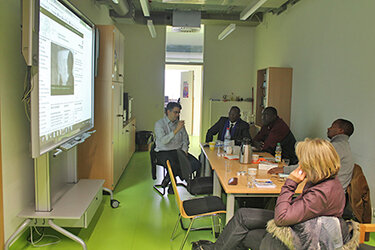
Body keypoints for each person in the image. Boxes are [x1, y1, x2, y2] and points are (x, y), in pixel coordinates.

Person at [192, 138, 358, 250]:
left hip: (297, 239)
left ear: (315, 164)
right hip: (298, 224)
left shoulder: (322, 193)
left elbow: (282, 218)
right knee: (242, 215)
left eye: (303, 161)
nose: (301, 164)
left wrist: (290, 183)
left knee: (242, 234)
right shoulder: (326, 180)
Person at [269, 119, 355, 191]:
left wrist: (284, 169)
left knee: (284, 190)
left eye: (332, 126)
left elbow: (311, 166)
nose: (328, 128)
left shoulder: (336, 147)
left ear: (341, 131)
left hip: (328, 194)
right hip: (331, 191)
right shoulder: (343, 146)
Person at [154, 102, 201, 193]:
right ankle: (172, 184)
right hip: (163, 152)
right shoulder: (159, 124)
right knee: (174, 165)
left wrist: (184, 150)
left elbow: (185, 139)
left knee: (196, 163)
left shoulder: (179, 124)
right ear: (168, 112)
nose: (177, 115)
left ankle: (170, 179)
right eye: (175, 112)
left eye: (179, 113)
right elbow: (164, 141)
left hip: (178, 151)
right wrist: (176, 130)